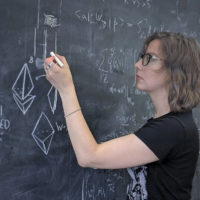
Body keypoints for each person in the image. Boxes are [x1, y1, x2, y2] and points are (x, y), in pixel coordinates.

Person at [44, 32, 200, 200]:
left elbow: (89, 156)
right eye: (142, 57)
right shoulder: (171, 124)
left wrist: (66, 89)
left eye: (150, 58)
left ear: (175, 70)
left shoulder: (172, 129)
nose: (138, 64)